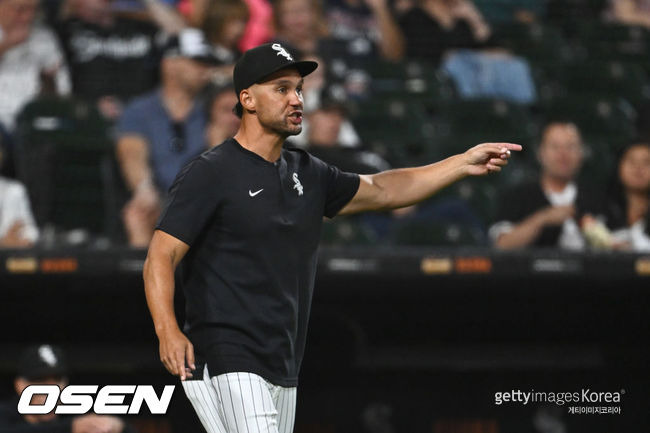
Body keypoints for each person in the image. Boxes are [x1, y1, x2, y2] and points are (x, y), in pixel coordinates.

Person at [142, 42, 520, 433]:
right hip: (225, 353)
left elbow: (386, 189)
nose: (297, 99)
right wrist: (167, 330)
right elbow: (161, 256)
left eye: (299, 89)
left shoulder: (308, 172)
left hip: (283, 358)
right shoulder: (211, 172)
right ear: (248, 99)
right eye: (282, 89)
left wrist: (461, 162)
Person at [115, 28, 217, 247]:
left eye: (208, 62)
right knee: (138, 212)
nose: (205, 69)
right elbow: (132, 154)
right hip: (161, 202)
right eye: (197, 61)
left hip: (204, 202)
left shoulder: (214, 107)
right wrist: (143, 189)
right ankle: (143, 280)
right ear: (169, 63)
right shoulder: (140, 110)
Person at [56, 0, 185, 120]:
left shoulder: (139, 25)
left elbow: (181, 33)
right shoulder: (72, 29)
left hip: (143, 118)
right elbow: (60, 13)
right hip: (88, 118)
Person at [489, 121, 602, 250]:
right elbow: (502, 245)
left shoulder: (596, 196)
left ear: (582, 153)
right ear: (540, 153)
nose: (563, 154)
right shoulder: (517, 196)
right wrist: (542, 219)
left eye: (570, 147)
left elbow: (620, 246)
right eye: (555, 147)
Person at [0, 344, 131, 433]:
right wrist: (70, 427)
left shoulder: (74, 413)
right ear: (20, 385)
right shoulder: (6, 414)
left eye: (57, 380)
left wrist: (120, 426)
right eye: (40, 380)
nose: (52, 389)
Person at [0, 0, 71, 132]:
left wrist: (49, 83)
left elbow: (63, 90)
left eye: (33, 10)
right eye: (20, 9)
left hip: (36, 122)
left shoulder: (44, 37)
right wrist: (5, 46)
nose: (28, 16)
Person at [603, 141, 650, 251]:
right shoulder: (600, 208)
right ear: (619, 166)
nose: (638, 168)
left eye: (646, 162)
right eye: (632, 161)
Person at [0, 142, 38, 248]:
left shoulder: (15, 190)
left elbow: (32, 231)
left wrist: (25, 240)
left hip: (9, 256)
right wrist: (3, 242)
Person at [205, 84, 241, 149]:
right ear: (212, 113)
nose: (235, 118)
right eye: (226, 110)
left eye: (239, 110)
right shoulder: (195, 151)